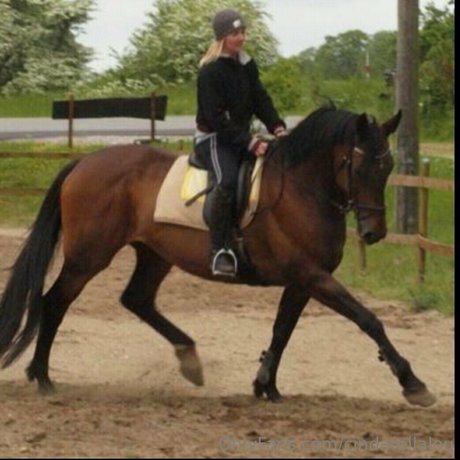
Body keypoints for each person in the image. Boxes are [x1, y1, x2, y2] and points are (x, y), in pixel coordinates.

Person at [194, 8, 287, 278]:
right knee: (227, 182)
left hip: (239, 138)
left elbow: (260, 99)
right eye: (235, 33)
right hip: (214, 138)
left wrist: (277, 127)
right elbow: (215, 118)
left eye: (243, 32)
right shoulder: (210, 72)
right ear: (222, 37)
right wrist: (249, 142)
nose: (241, 37)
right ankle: (220, 249)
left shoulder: (247, 65)